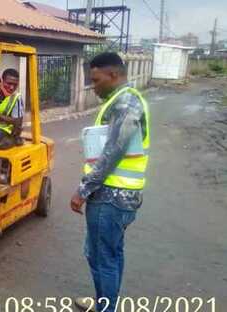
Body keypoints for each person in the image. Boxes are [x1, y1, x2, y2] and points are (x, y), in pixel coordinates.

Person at [70, 52, 150, 312]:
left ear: (113, 75)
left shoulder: (126, 102)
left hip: (111, 197)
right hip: (116, 196)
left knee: (102, 258)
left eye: (96, 80)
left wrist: (83, 190)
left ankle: (106, 308)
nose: (94, 86)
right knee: (111, 255)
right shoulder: (121, 100)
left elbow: (112, 152)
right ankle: (104, 304)